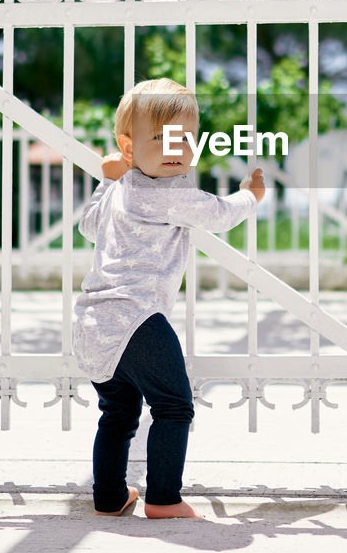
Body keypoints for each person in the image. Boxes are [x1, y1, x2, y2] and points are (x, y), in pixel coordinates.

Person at [74, 77, 264, 519]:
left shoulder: (121, 190)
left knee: (118, 414)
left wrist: (108, 181)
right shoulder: (170, 194)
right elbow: (220, 214)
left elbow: (88, 226)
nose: (174, 147)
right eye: (159, 137)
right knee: (175, 406)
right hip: (137, 317)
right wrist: (250, 197)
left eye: (184, 137)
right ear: (128, 147)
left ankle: (110, 498)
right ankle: (163, 498)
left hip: (93, 322)